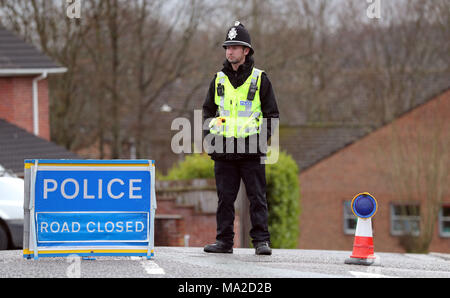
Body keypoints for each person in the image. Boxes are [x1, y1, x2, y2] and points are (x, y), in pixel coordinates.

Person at [202, 21, 279, 255]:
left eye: (235, 47)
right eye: (227, 47)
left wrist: (261, 140)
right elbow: (207, 111)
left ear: (246, 51)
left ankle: (261, 242)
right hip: (223, 149)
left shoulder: (260, 79)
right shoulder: (218, 79)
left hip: (251, 149)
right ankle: (224, 242)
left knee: (257, 197)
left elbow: (271, 114)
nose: (230, 51)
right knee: (225, 199)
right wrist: (209, 140)